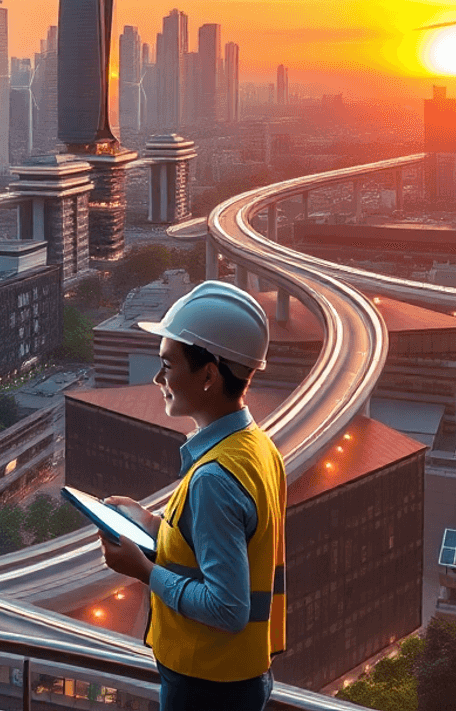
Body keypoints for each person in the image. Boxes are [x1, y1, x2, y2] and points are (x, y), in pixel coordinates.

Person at [98, 280, 285, 711]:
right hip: (239, 677)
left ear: (208, 375)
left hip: (208, 686)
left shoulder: (213, 477)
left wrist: (144, 571)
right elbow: (226, 546)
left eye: (167, 364)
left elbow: (227, 608)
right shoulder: (256, 447)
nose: (157, 378)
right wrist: (150, 524)